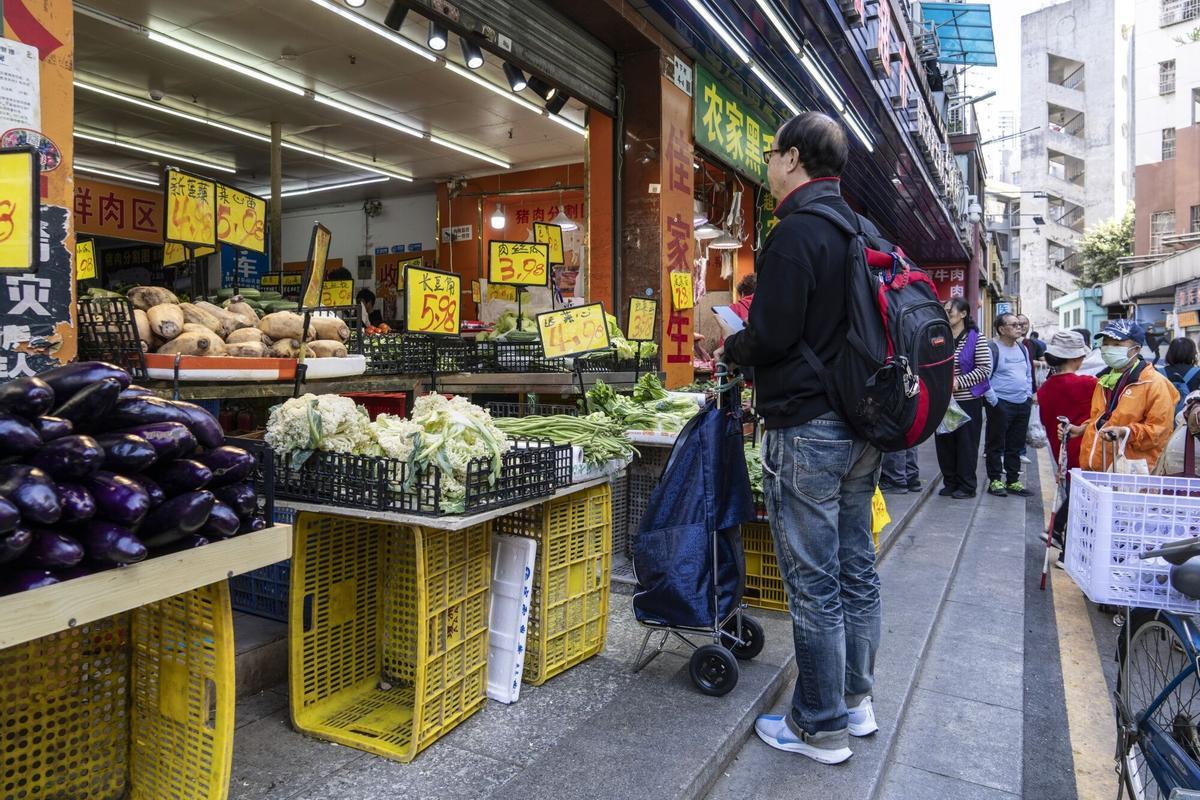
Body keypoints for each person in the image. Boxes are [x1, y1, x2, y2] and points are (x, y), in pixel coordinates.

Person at [719, 111, 880, 766]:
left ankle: (820, 726)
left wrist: (731, 343)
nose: (767, 163)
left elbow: (774, 335)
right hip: (862, 425)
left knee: (814, 585)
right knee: (855, 570)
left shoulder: (795, 233)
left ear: (791, 158)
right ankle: (856, 700)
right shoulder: (859, 230)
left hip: (810, 428)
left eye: (771, 152)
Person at [1064, 320, 1178, 475]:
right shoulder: (1105, 379)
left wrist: (1126, 432)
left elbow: (1159, 432)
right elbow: (1101, 418)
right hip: (1096, 469)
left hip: (1129, 475)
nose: (1108, 349)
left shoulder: (1155, 383)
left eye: (1117, 345)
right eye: (1106, 343)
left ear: (1136, 349)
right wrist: (1081, 429)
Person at [1036, 331, 1096, 562]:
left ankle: (1059, 535)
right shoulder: (1088, 384)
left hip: (1060, 451)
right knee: (1083, 502)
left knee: (1075, 497)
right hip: (1084, 449)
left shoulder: (1045, 388)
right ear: (1076, 358)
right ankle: (1061, 540)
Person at [934, 297, 991, 499]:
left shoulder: (977, 338)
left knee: (966, 445)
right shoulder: (940, 336)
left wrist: (959, 381)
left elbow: (984, 369)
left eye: (950, 311)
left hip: (967, 400)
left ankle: (967, 486)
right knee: (945, 442)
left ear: (963, 314)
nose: (947, 314)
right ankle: (950, 482)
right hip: (942, 400)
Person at [985, 313, 1035, 497]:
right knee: (995, 443)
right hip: (1001, 403)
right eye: (1014, 324)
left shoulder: (1022, 348)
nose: (1019, 327)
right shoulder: (992, 348)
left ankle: (1013, 480)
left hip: (1022, 403)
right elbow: (984, 377)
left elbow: (1029, 373)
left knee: (1016, 444)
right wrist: (994, 401)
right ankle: (995, 480)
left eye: (1020, 324)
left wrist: (1028, 395)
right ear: (1001, 329)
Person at [1162, 337, 1200, 415]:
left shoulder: (1157, 372)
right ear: (1193, 353)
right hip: (1189, 422)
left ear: (1170, 353)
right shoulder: (1198, 373)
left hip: (1162, 421)